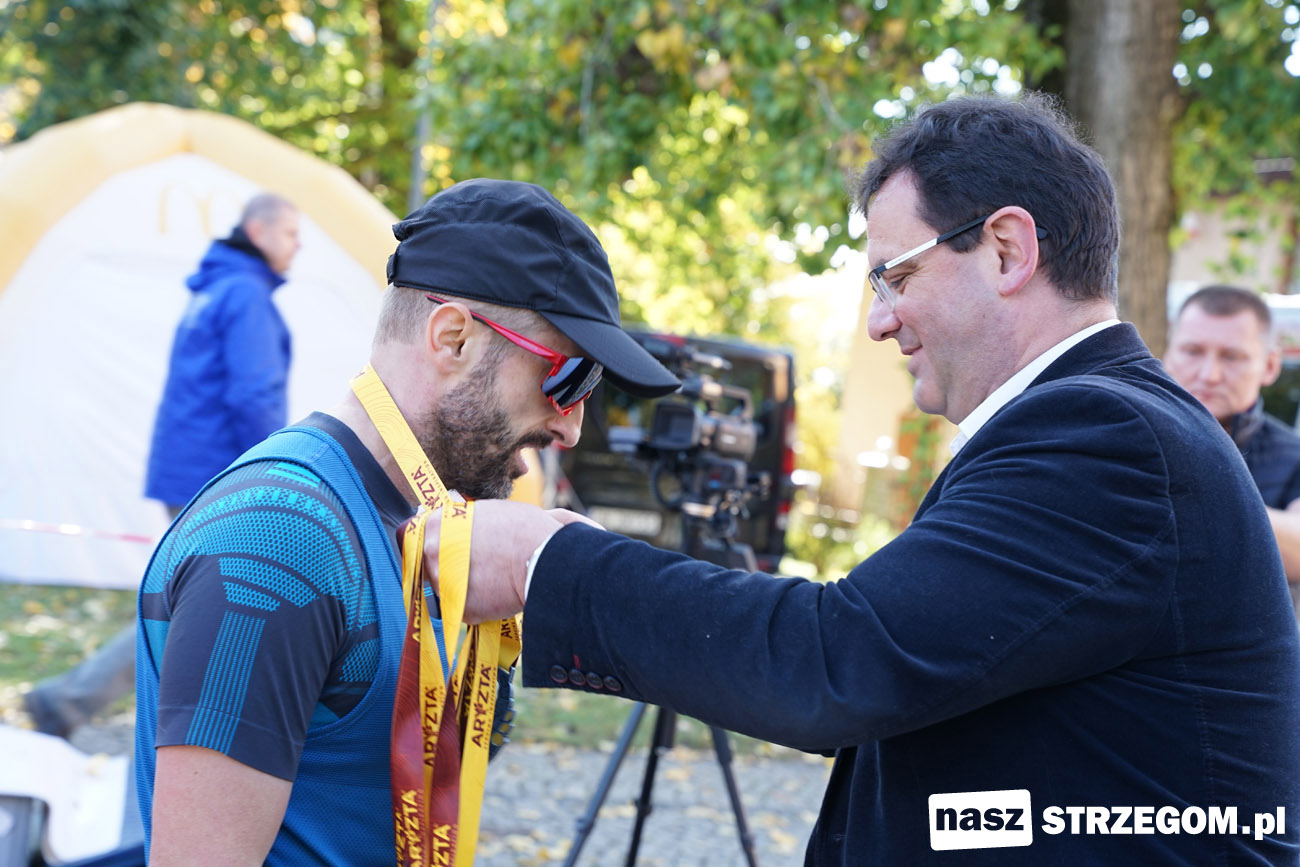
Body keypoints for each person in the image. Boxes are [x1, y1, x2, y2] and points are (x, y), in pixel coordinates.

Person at [428, 95, 1300, 863]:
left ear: (1006, 250)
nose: (880, 321)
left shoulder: (1107, 437)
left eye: (896, 275)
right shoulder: (1096, 425)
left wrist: (548, 563)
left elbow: (841, 660)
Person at [133, 178, 679, 864]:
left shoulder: (431, 527)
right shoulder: (278, 538)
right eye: (567, 378)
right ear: (453, 339)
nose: (570, 427)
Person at [22, 193, 302, 740]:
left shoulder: (217, 287)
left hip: (189, 469)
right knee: (193, 609)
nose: (299, 246)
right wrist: (276, 468)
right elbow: (254, 396)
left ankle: (72, 703)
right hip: (216, 474)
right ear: (258, 230)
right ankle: (75, 704)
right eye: (291, 233)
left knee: (194, 606)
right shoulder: (245, 294)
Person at [1164, 284, 1300, 619]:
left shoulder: (1293, 456)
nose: (1209, 375)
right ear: (1167, 354)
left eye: (1231, 356)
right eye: (1193, 351)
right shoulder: (1125, 433)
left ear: (1270, 366)